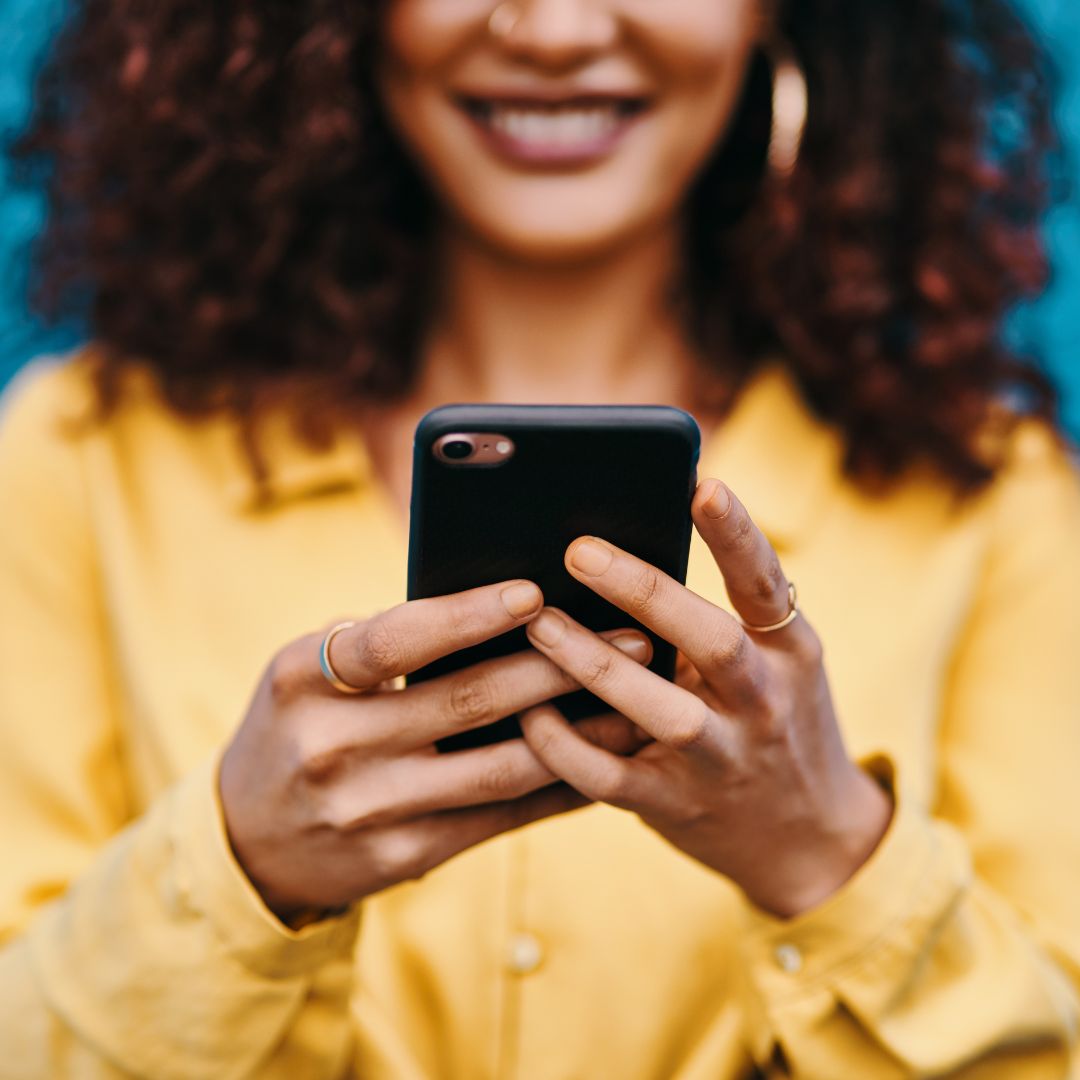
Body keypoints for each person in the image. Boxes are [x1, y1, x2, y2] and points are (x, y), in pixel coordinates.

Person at [1, 1, 1077, 1076]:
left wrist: (831, 856)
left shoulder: (992, 498)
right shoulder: (79, 459)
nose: (555, 32)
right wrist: (236, 876)